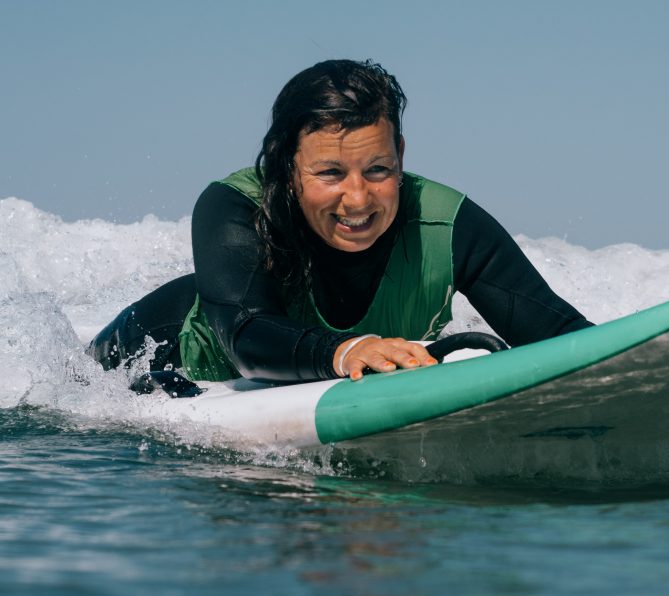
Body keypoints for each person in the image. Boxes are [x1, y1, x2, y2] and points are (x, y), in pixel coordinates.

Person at [89, 59, 591, 383]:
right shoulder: (234, 207)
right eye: (330, 172)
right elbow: (246, 336)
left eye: (378, 170)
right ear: (287, 169)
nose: (358, 199)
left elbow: (561, 333)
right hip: (146, 367)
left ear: (401, 154)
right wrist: (345, 351)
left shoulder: (449, 224)